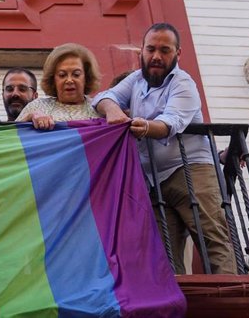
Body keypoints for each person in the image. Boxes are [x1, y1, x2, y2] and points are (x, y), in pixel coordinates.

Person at [92, 22, 237, 274]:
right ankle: (175, 306)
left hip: (191, 171)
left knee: (212, 237)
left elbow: (169, 123)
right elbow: (102, 98)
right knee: (165, 254)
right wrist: (114, 110)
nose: (156, 56)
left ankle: (234, 303)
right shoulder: (137, 79)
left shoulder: (183, 83)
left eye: (165, 50)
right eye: (151, 49)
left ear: (178, 54)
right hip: (153, 181)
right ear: (142, 51)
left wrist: (142, 126)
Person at [16, 43, 101, 129]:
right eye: (62, 75)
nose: (69, 80)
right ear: (53, 79)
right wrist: (29, 118)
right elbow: (11, 136)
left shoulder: (98, 108)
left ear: (86, 77)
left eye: (76, 74)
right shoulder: (36, 106)